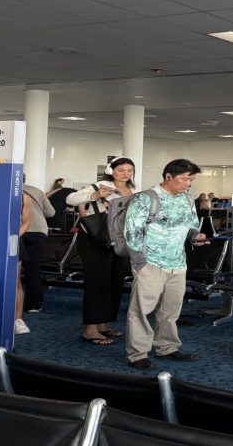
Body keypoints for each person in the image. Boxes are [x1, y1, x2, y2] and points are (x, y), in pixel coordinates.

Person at [124, 159, 206, 369]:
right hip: (151, 263)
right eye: (185, 179)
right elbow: (132, 232)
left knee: (170, 310)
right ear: (168, 176)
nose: (188, 184)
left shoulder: (187, 199)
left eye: (191, 179)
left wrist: (196, 236)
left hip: (178, 264)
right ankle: (138, 353)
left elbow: (191, 226)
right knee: (141, 310)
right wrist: (140, 264)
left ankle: (167, 347)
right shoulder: (146, 198)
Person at [68, 156, 136, 346]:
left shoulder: (134, 190)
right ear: (111, 170)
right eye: (121, 170)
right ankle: (90, 328)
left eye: (129, 170)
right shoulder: (99, 186)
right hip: (96, 239)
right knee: (97, 281)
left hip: (120, 240)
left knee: (114, 281)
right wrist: (96, 196)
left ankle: (103, 323)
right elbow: (71, 199)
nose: (125, 173)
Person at [20, 178, 55, 321]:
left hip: (18, 229)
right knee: (33, 268)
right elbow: (51, 213)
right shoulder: (37, 191)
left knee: (15, 270)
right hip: (38, 231)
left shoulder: (6, 190)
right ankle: (34, 304)